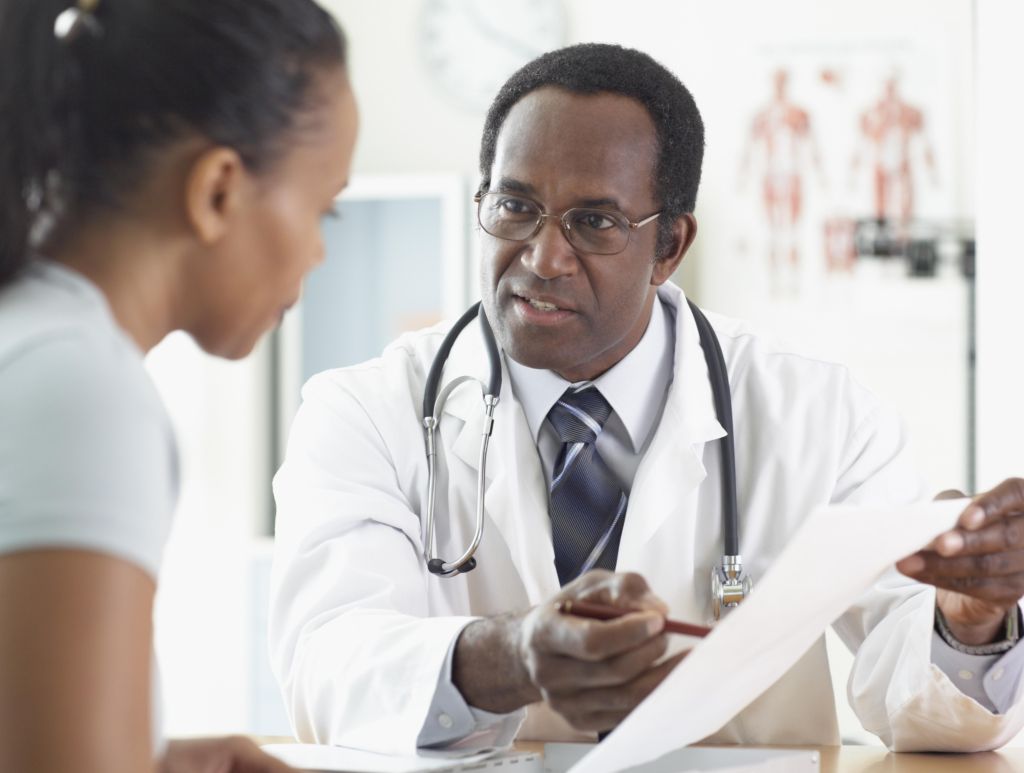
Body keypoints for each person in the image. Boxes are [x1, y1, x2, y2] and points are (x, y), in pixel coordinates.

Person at [269, 43, 1024, 755]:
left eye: (594, 222)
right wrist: (512, 654)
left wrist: (968, 617)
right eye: (514, 207)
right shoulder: (364, 410)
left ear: (669, 246)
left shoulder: (819, 413)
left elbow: (917, 698)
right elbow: (327, 660)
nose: (542, 256)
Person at [0, 1, 357, 771]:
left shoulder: (33, 339)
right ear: (219, 190)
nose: (319, 254)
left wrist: (152, 760)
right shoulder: (83, 391)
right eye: (321, 209)